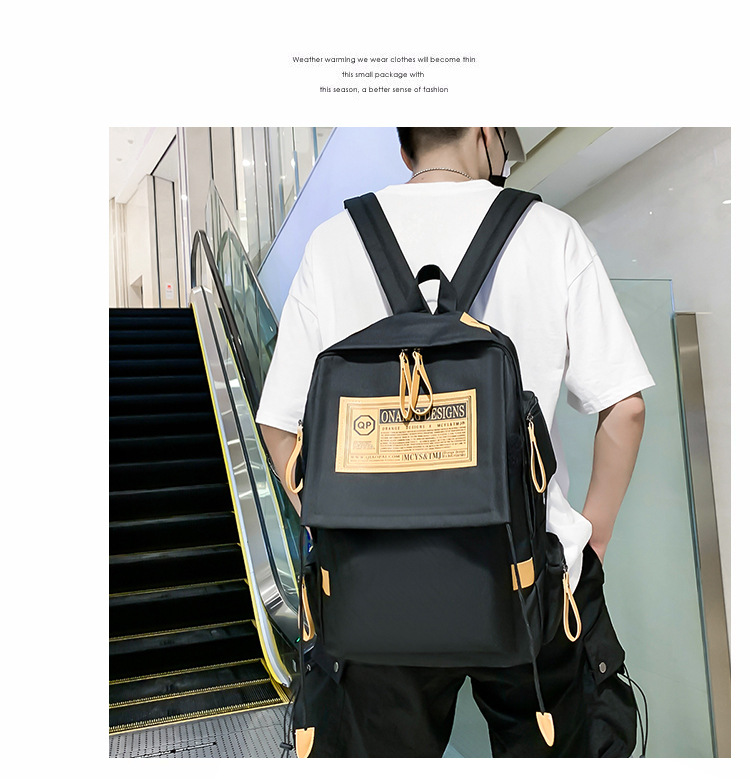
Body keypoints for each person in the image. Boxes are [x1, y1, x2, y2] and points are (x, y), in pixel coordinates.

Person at [256, 127, 653, 757]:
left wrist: (338, 529)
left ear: (404, 149)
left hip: (372, 595)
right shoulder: (549, 232)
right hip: (529, 581)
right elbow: (624, 408)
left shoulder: (334, 242)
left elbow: (279, 423)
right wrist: (590, 542)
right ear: (484, 130)